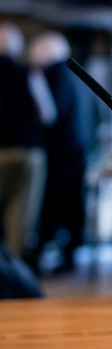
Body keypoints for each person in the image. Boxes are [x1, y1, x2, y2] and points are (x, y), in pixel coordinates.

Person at [28, 31, 94, 274]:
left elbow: (49, 115)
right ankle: (69, 254)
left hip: (60, 150)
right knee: (72, 202)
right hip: (78, 147)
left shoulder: (54, 75)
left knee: (54, 202)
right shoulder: (76, 74)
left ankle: (46, 254)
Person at [0, 22, 47, 266]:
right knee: (19, 224)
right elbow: (48, 113)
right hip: (27, 153)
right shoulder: (28, 72)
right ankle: (12, 278)